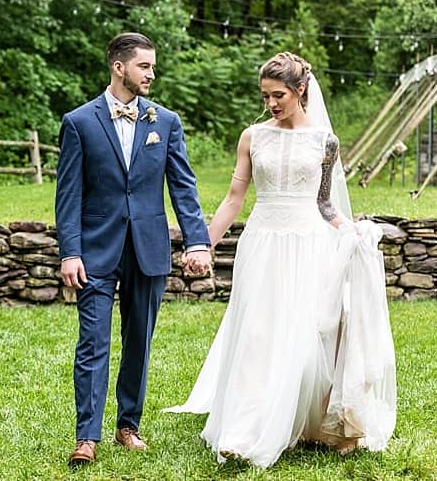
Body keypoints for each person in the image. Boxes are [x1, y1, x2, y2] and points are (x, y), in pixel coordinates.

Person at [167, 52, 396, 463]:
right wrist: (203, 244)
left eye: (279, 95)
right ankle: (244, 429)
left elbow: (324, 204)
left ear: (300, 90)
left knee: (309, 335)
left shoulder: (326, 142)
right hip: (263, 242)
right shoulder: (252, 136)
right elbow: (233, 199)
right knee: (259, 332)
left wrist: (352, 231)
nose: (271, 103)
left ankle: (309, 420)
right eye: (265, 96)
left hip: (310, 243)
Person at [56, 32, 211, 468]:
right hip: (95, 250)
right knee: (93, 342)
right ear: (119, 67)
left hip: (148, 247)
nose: (151, 74)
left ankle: (128, 425)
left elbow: (183, 185)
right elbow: (68, 195)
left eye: (153, 67)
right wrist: (70, 252)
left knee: (138, 341)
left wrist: (197, 239)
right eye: (145, 66)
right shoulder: (79, 122)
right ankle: (86, 436)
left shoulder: (166, 122)